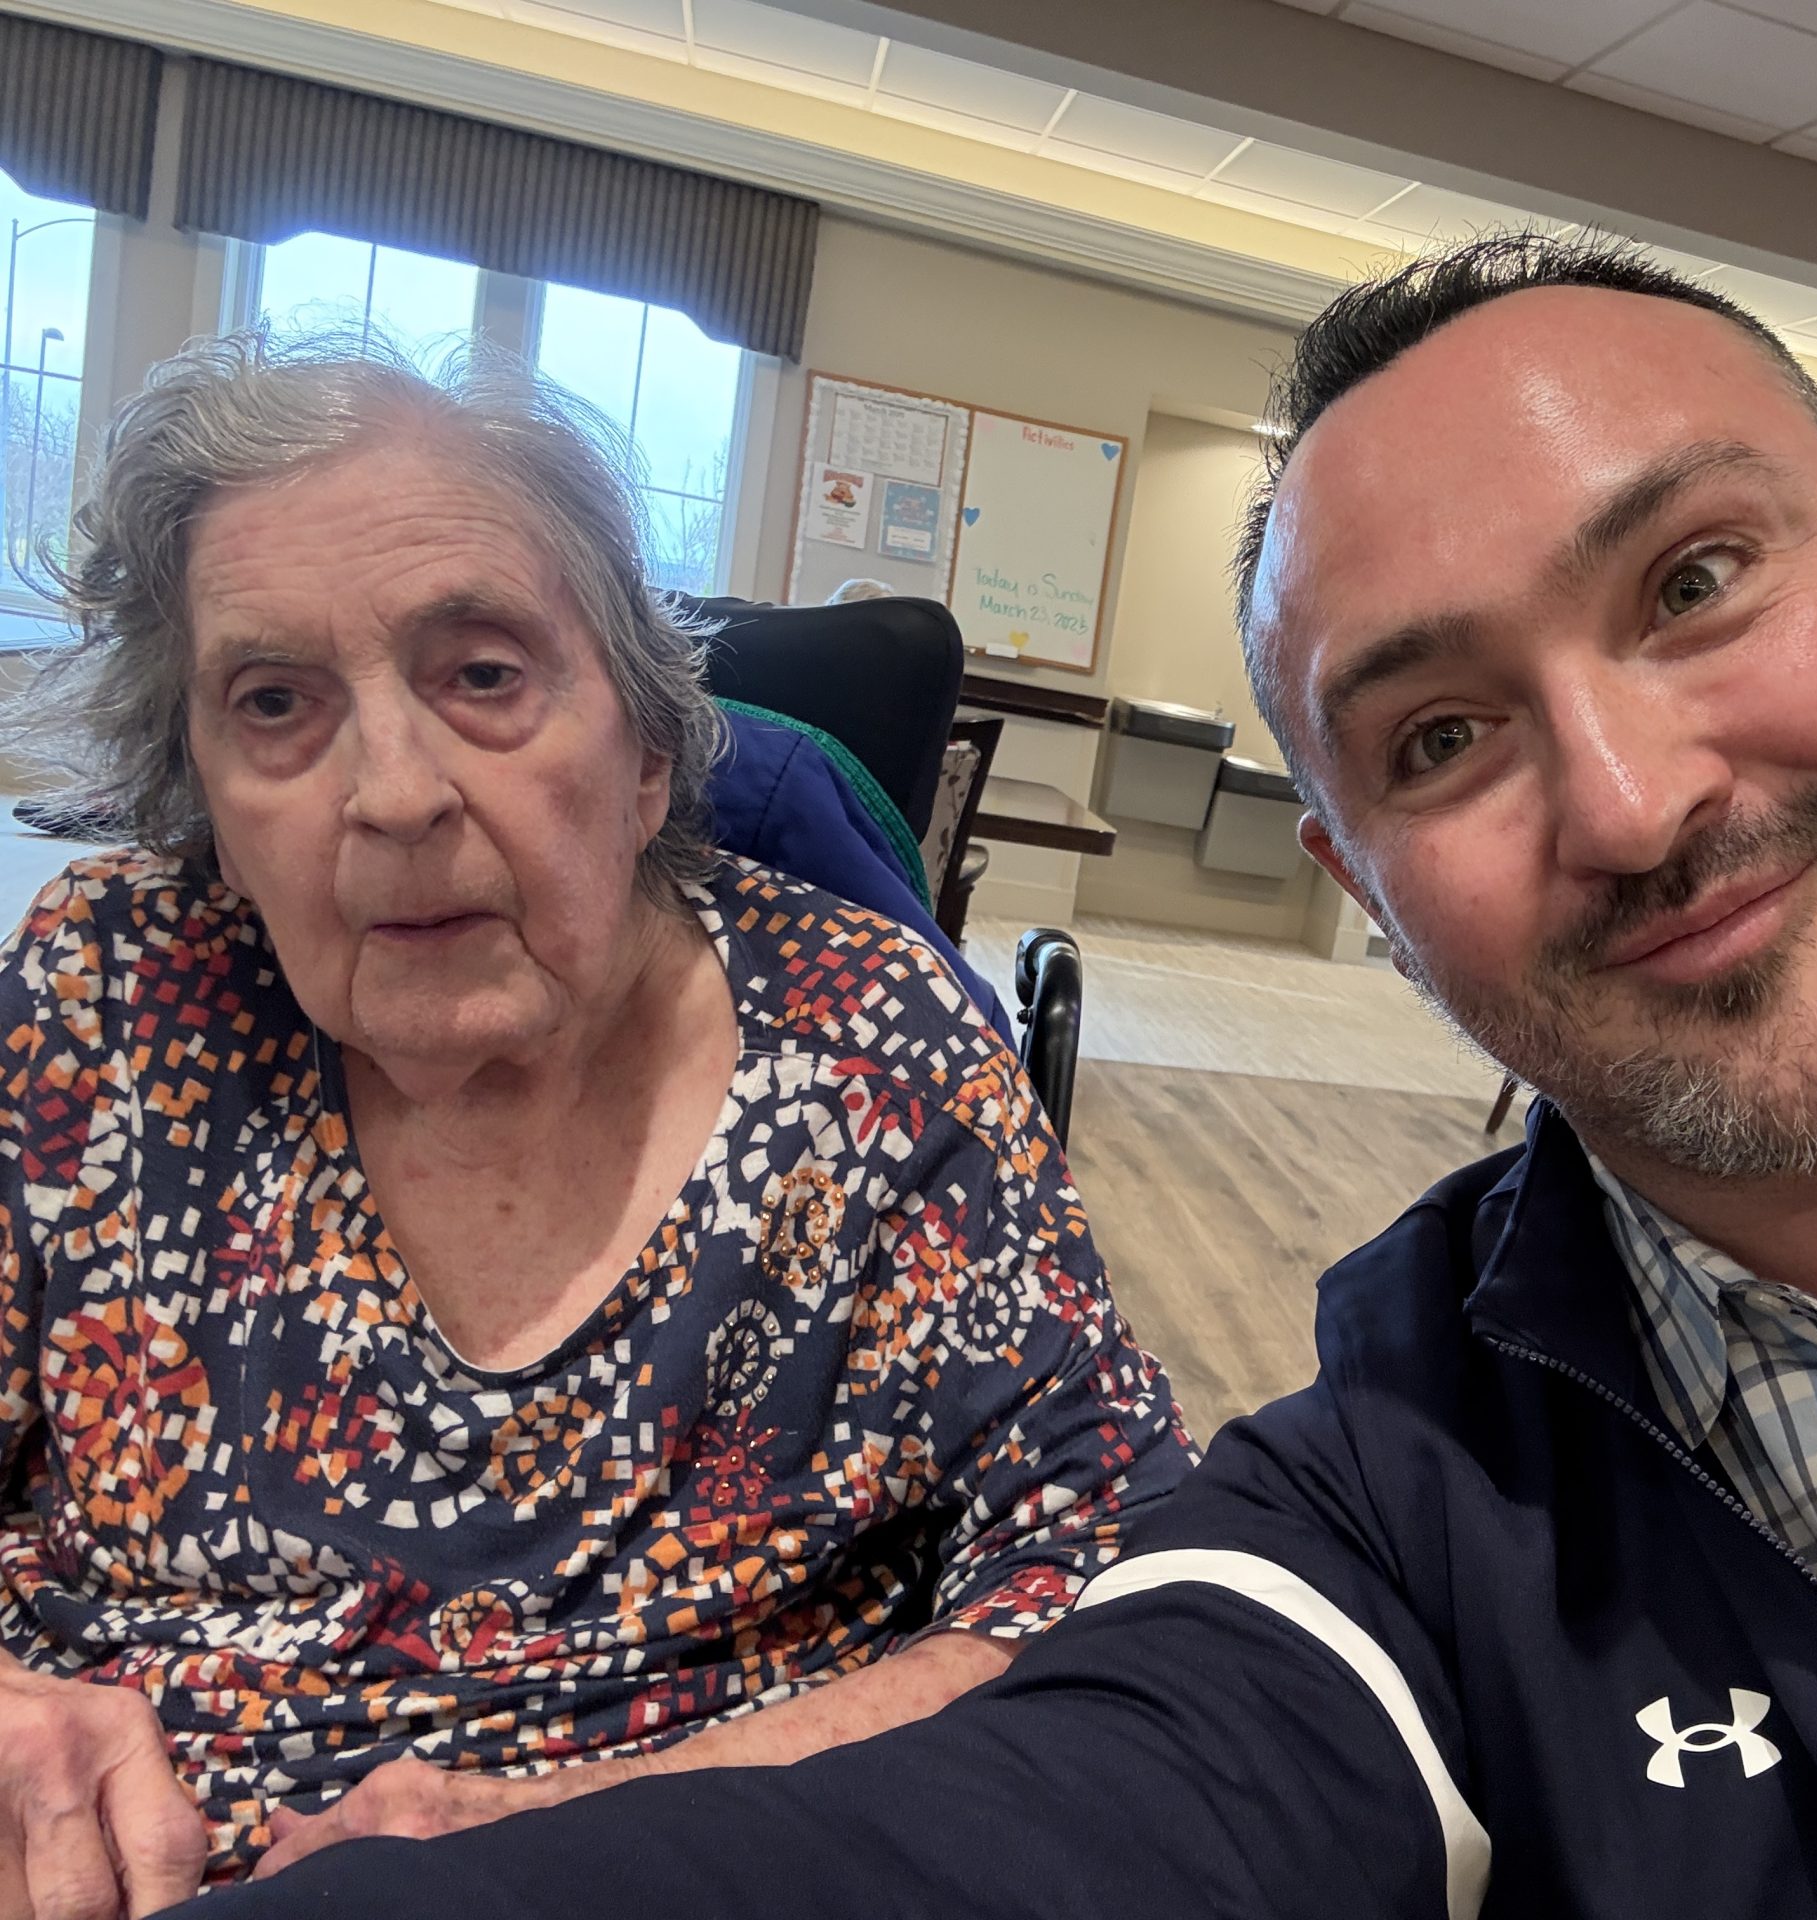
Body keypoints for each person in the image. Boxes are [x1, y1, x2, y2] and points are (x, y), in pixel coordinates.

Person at [203, 235, 1817, 1920]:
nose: (1630, 800)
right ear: (1355, 867)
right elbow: (1091, 1807)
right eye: (1441, 736)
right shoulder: (1397, 1506)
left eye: (1694, 584)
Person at [0, 333, 1189, 1916]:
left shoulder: (875, 1057)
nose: (395, 792)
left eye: (482, 673)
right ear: (203, 786)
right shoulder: (114, 991)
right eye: (274, 701)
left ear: (643, 751)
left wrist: (590, 1825)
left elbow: (1118, 1573)